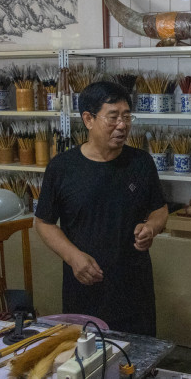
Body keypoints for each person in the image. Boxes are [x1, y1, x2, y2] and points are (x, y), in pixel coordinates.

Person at [34, 81, 168, 335]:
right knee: (89, 354)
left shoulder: (141, 163)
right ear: (88, 119)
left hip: (134, 288)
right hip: (85, 286)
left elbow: (160, 209)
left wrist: (151, 227)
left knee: (137, 353)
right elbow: (43, 223)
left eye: (126, 117)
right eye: (113, 117)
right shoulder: (62, 168)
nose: (122, 125)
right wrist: (73, 257)